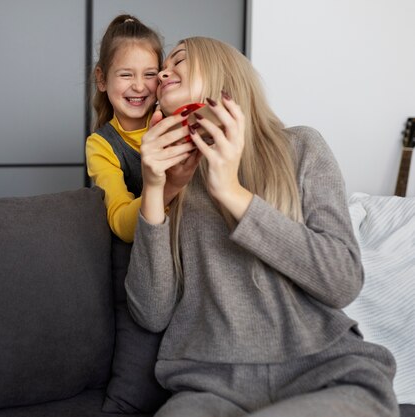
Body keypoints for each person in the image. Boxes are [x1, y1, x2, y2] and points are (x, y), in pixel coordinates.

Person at [125, 36, 399, 417]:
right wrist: (156, 190)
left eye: (180, 60)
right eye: (162, 69)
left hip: (327, 371)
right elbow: (151, 313)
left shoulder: (301, 147)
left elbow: (342, 280)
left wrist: (232, 192)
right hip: (209, 385)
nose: (163, 73)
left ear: (224, 75)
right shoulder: (173, 178)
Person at [86, 14, 194, 242]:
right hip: (152, 246)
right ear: (102, 79)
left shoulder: (175, 116)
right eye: (126, 74)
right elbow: (122, 225)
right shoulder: (101, 145)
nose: (138, 86)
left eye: (150, 74)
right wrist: (169, 186)